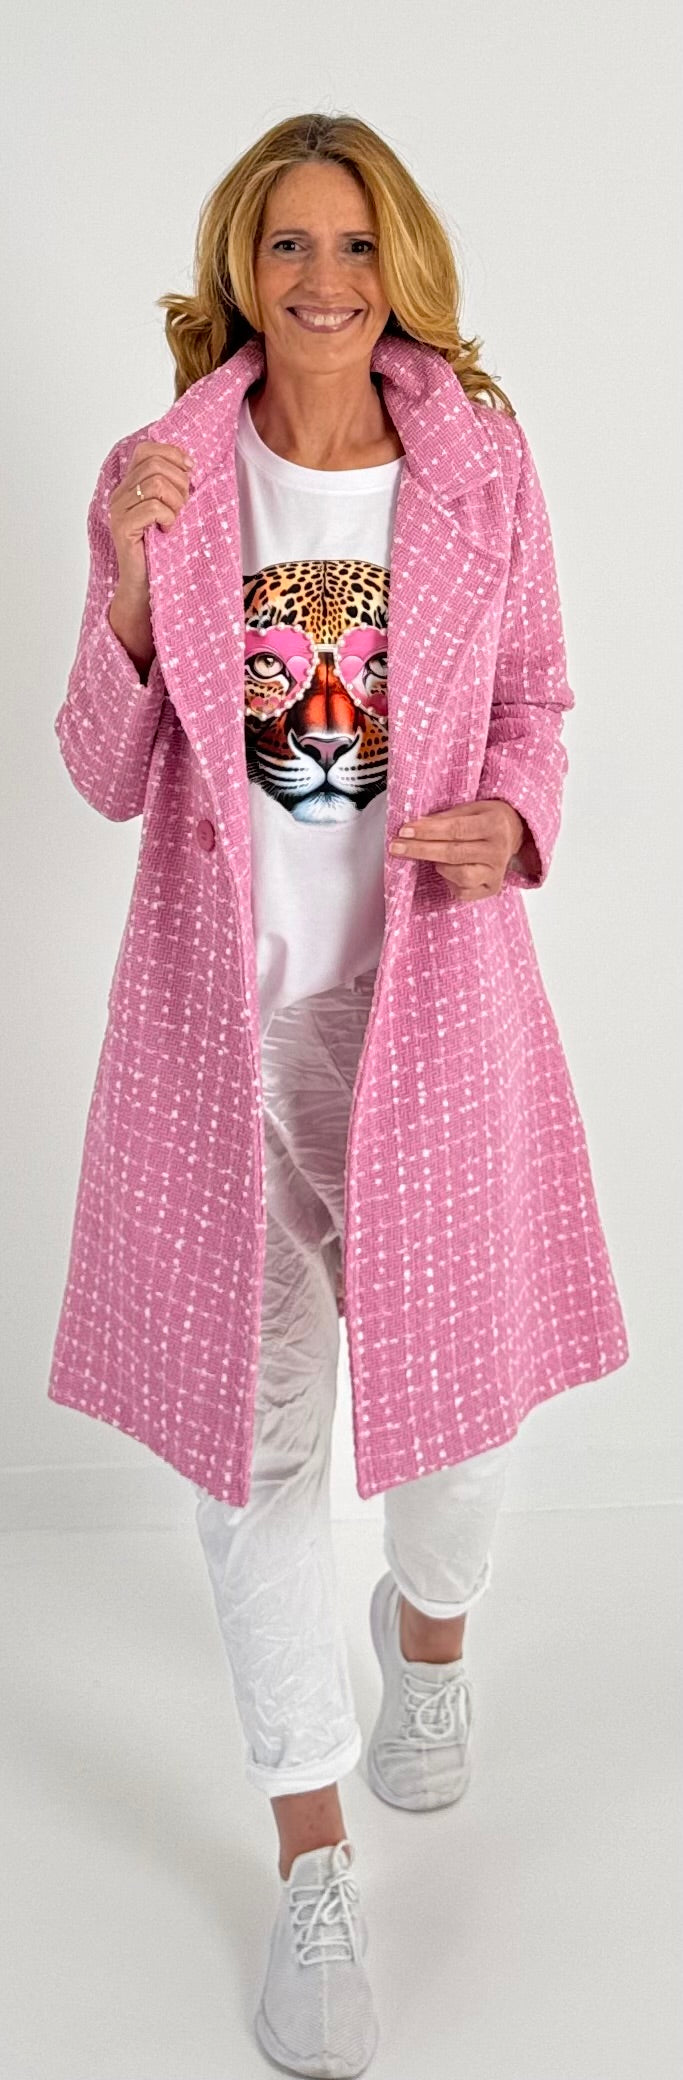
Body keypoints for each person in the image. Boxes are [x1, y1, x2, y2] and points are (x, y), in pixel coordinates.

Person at [49, 111, 629, 2080]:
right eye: (289, 245)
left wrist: (516, 818)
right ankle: (312, 1854)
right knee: (258, 1450)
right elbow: (101, 768)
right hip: (224, 1034)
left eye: (357, 246)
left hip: (431, 1011)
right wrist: (131, 595)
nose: (323, 281)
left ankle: (430, 1636)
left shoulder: (478, 463)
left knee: (466, 1414)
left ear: (402, 269)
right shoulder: (160, 474)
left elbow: (542, 698)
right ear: (241, 263)